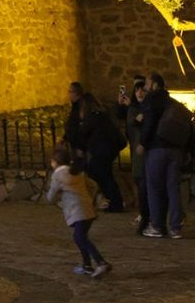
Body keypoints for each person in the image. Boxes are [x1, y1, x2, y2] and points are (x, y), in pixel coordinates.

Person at [46, 145, 111, 276]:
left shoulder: (58, 175)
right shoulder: (76, 172)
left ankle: (101, 262)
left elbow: (50, 196)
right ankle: (87, 265)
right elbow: (92, 185)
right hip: (87, 209)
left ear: (55, 161)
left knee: (79, 238)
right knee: (81, 237)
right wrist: (89, 198)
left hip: (77, 211)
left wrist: (55, 195)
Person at [142, 74, 192, 239]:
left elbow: (149, 123)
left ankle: (156, 225)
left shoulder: (151, 100)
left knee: (155, 188)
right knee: (173, 188)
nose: (145, 86)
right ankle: (175, 227)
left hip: (157, 148)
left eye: (148, 82)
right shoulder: (171, 102)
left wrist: (142, 142)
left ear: (155, 84)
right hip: (175, 149)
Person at [75, 94, 126, 212]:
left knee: (99, 173)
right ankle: (113, 202)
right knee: (105, 174)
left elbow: (83, 133)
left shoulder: (93, 116)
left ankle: (114, 202)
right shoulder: (101, 115)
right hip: (107, 149)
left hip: (102, 150)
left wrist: (80, 147)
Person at [118, 77, 153, 233]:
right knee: (140, 181)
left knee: (145, 183)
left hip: (145, 150)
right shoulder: (132, 108)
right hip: (136, 149)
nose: (139, 92)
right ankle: (145, 214)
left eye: (142, 89)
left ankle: (147, 215)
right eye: (137, 89)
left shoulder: (147, 108)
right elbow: (126, 119)